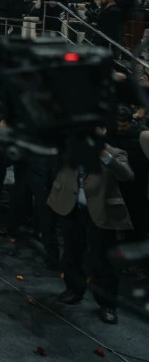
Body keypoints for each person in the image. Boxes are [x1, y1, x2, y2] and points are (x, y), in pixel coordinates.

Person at [48, 138, 135, 324]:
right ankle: (74, 289)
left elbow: (127, 175)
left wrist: (105, 156)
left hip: (101, 212)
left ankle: (107, 304)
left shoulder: (116, 152)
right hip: (71, 208)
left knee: (103, 260)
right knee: (72, 252)